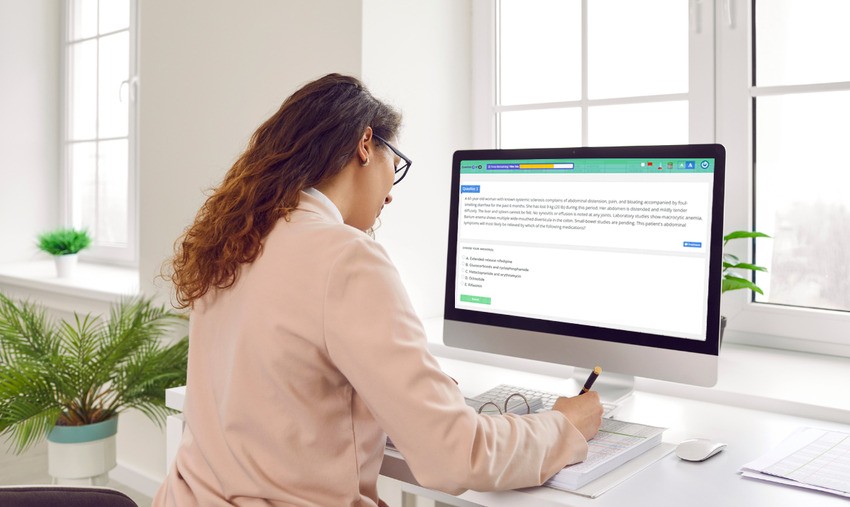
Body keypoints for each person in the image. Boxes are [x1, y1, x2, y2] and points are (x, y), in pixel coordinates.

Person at [153, 73, 602, 507]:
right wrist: (562, 425)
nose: (390, 196)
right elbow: (455, 457)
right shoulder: (345, 255)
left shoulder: (234, 239)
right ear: (366, 144)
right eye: (397, 165)